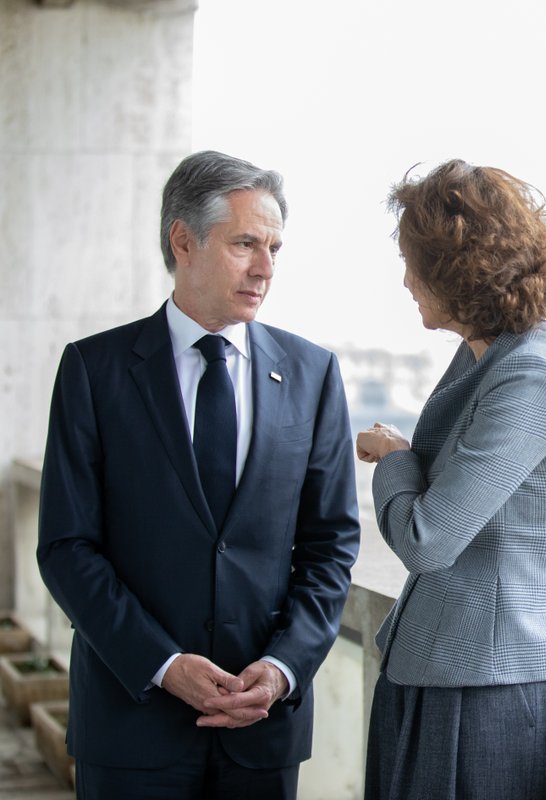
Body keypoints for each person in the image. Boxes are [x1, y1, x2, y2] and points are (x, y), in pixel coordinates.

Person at [37, 150, 361, 800]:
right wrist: (162, 664)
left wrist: (281, 668)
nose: (266, 268)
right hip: (130, 723)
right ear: (182, 240)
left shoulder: (313, 374)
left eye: (273, 247)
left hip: (261, 728)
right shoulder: (94, 372)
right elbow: (67, 546)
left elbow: (330, 548)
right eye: (246, 244)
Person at [355, 159, 546, 800]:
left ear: (459, 271)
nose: (405, 281)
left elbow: (429, 540)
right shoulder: (486, 359)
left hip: (490, 683)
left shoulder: (530, 375)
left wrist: (394, 457)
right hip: (442, 669)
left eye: (415, 263)